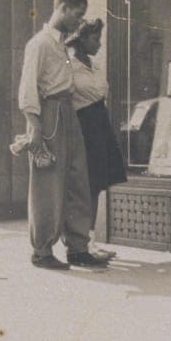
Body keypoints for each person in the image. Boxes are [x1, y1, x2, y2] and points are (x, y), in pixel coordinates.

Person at [16, 0, 105, 270]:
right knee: (49, 185)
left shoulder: (64, 46)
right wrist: (35, 128)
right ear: (63, 8)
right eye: (77, 16)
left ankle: (78, 248)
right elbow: (28, 89)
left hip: (70, 112)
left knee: (78, 180)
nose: (80, 23)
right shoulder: (40, 44)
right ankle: (42, 251)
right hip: (50, 113)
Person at [65, 19, 128, 262]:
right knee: (84, 185)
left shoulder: (95, 65)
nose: (99, 44)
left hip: (100, 123)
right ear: (81, 39)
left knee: (97, 184)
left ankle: (89, 241)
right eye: (95, 38)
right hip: (83, 125)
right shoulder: (69, 66)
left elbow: (102, 92)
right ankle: (79, 243)